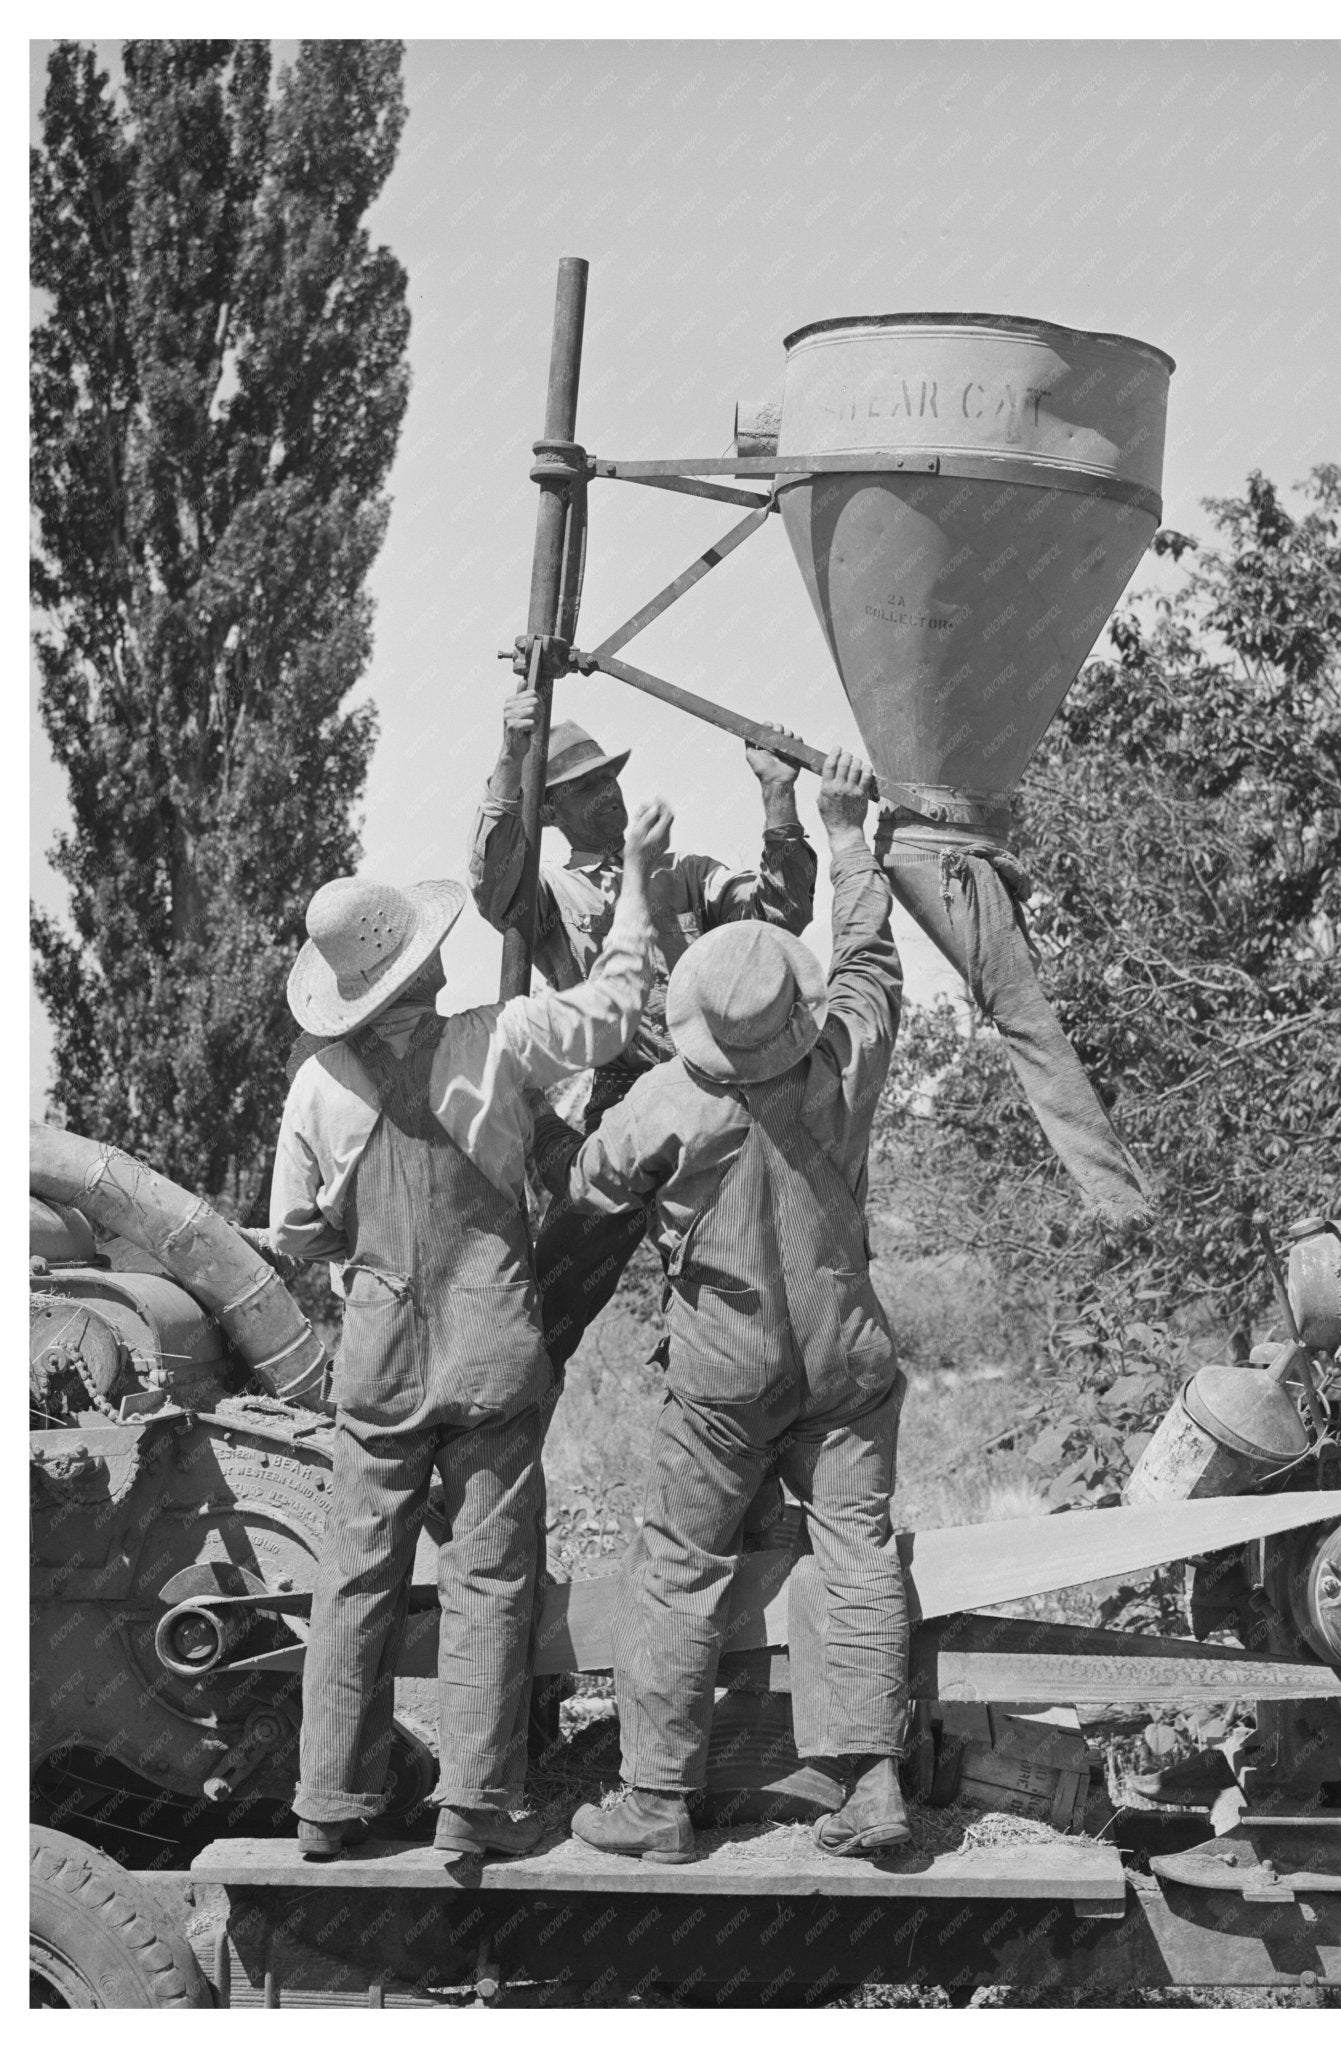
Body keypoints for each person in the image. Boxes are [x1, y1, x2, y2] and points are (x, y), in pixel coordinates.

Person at [267, 798, 670, 1862]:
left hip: (381, 1353)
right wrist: (635, 871)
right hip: (494, 1341)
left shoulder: (316, 1083)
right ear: (424, 965)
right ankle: (477, 1803)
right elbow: (621, 1003)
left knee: (356, 1574)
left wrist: (355, 1235)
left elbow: (297, 1232)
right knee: (490, 1572)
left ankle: (328, 1802)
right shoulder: (502, 1038)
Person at [530, 750, 911, 1864]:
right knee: (857, 1553)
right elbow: (873, 959)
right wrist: (842, 833)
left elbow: (592, 1181)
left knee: (678, 1567)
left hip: (722, 1378)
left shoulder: (669, 1097)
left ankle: (656, 1800)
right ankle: (871, 1778)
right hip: (848, 1364)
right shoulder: (844, 1056)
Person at [468, 690, 817, 1375]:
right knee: (557, 1286)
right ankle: (502, 1401)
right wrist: (509, 762)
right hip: (625, 1090)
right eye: (584, 788)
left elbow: (779, 918)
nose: (606, 795)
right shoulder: (556, 896)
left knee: (751, 1274)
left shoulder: (689, 875)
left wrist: (778, 796)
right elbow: (493, 881)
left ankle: (729, 1392)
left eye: (608, 779)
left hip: (720, 1088)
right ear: (552, 813)